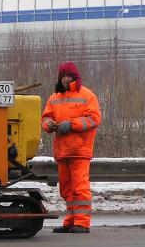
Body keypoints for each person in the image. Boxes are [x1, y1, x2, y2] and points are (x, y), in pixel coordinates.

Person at [41, 61, 102, 234]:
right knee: (67, 189)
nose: (65, 79)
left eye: (68, 76)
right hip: (62, 151)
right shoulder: (54, 98)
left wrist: (72, 124)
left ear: (75, 77)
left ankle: (82, 223)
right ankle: (70, 221)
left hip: (79, 151)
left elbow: (94, 119)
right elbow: (45, 118)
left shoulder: (87, 95)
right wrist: (49, 125)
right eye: (63, 76)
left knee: (80, 188)